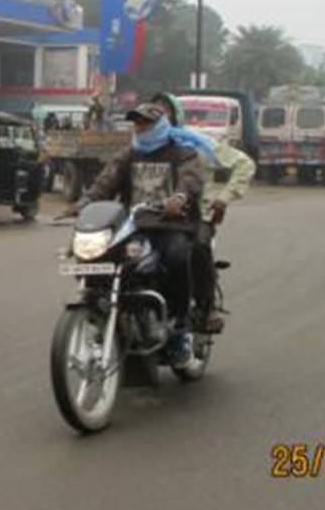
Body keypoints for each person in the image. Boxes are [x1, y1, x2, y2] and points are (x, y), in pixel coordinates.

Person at [72, 101, 204, 365]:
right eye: (137, 123)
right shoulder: (128, 155)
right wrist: (85, 201)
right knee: (95, 256)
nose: (140, 128)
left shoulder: (182, 153)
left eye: (145, 123)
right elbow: (105, 182)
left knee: (177, 257)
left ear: (161, 126)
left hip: (171, 225)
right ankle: (102, 311)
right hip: (132, 226)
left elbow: (190, 179)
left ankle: (179, 327)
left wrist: (179, 197)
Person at [149, 91, 255, 333]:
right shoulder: (143, 144)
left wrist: (223, 200)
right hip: (151, 215)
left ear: (176, 116)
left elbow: (244, 164)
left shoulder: (198, 143)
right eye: (153, 112)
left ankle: (206, 308)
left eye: (164, 112)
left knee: (197, 246)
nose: (158, 117)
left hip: (194, 214)